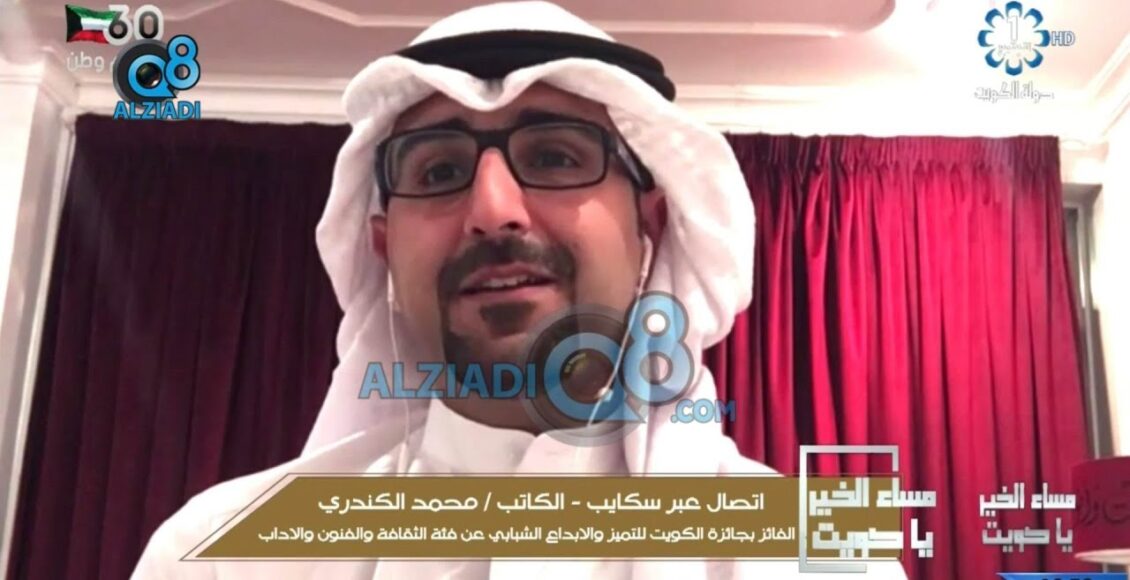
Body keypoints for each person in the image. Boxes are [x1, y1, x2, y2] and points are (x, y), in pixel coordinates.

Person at [131, 2, 909, 578]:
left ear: (651, 228)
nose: (494, 209)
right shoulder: (219, 555)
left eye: (556, 157)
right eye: (439, 170)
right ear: (383, 250)